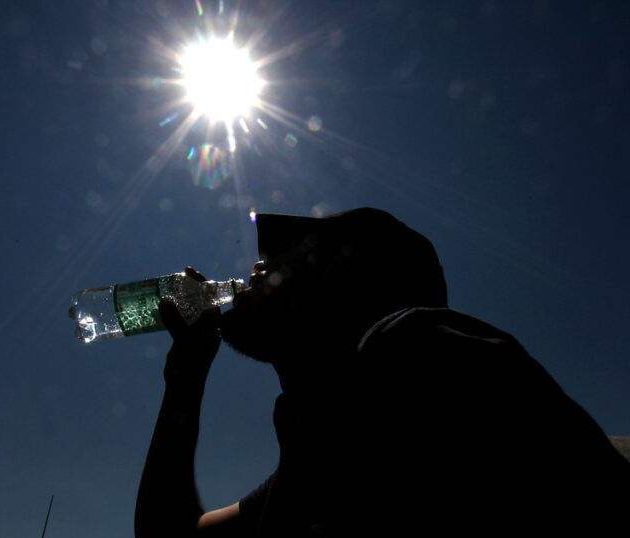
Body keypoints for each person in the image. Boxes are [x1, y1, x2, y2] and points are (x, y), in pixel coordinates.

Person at [134, 207, 629, 537]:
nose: (258, 267)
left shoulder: (413, 357)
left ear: (350, 281)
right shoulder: (311, 464)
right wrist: (185, 381)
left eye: (286, 253)